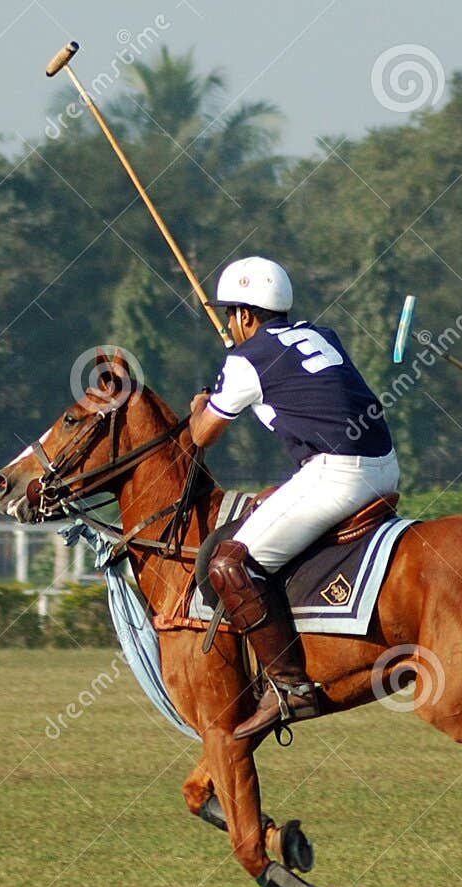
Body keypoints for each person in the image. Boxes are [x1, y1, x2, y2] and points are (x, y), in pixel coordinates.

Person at [187, 256, 398, 742]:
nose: (230, 324)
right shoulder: (320, 335)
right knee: (267, 507)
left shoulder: (245, 360)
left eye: (231, 315)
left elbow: (202, 436)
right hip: (383, 463)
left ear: (243, 316)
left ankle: (288, 685)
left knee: (228, 563)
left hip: (340, 474)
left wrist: (202, 403)